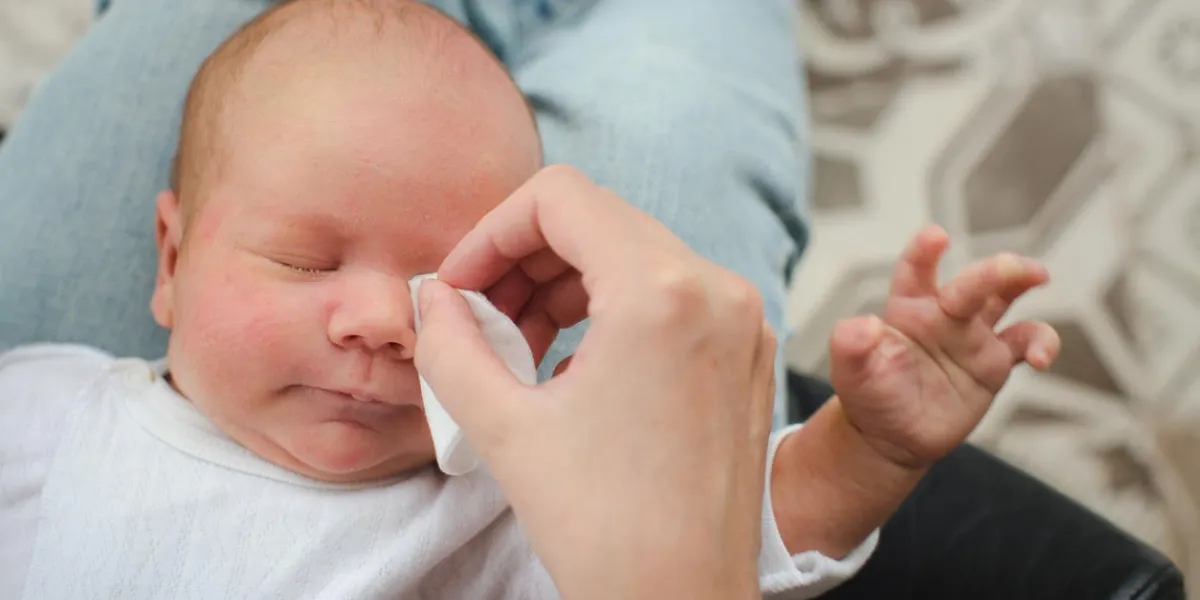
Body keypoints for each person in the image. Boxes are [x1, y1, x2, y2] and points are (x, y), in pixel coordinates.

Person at [0, 2, 1060, 598]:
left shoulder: (503, 495)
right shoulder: (50, 416)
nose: (380, 321)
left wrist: (860, 453)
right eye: (306, 263)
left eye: (445, 282)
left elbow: (721, 531)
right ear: (171, 258)